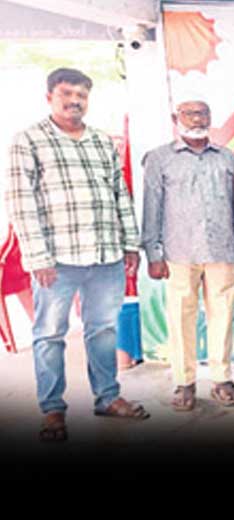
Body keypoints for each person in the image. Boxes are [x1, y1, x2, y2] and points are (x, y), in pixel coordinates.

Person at [5, 67, 149, 441]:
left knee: (103, 330)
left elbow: (120, 194)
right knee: (50, 334)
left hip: (105, 256)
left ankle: (108, 398)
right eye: (66, 94)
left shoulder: (100, 141)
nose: (75, 101)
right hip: (57, 261)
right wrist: (38, 257)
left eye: (81, 95)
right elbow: (21, 202)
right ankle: (52, 409)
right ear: (49, 97)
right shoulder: (29, 140)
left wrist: (129, 244)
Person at [142, 96, 234, 411]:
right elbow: (151, 207)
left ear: (210, 117)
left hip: (222, 249)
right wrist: (153, 252)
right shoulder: (159, 158)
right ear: (176, 119)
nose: (196, 119)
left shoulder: (227, 158)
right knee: (180, 318)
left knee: (223, 316)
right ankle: (184, 383)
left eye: (202, 113)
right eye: (188, 114)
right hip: (179, 251)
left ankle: (222, 379)